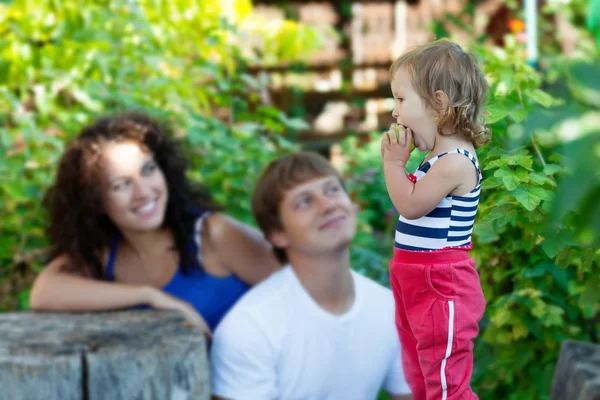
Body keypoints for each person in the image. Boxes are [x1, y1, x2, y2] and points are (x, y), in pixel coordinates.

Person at [29, 111, 279, 336]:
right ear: (95, 202)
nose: (144, 192)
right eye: (121, 185)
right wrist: (149, 296)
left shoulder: (212, 234)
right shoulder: (106, 253)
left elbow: (304, 290)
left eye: (148, 170)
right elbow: (43, 293)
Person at [210, 152, 412, 400]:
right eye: (304, 202)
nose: (328, 205)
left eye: (332, 190)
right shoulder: (249, 328)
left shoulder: (390, 309)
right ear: (277, 235)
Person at [381, 38, 490, 400]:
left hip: (440, 284)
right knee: (419, 371)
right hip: (415, 278)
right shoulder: (437, 159)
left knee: (445, 383)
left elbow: (410, 206)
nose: (394, 112)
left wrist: (394, 164)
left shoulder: (455, 161)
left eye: (401, 99)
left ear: (439, 104)